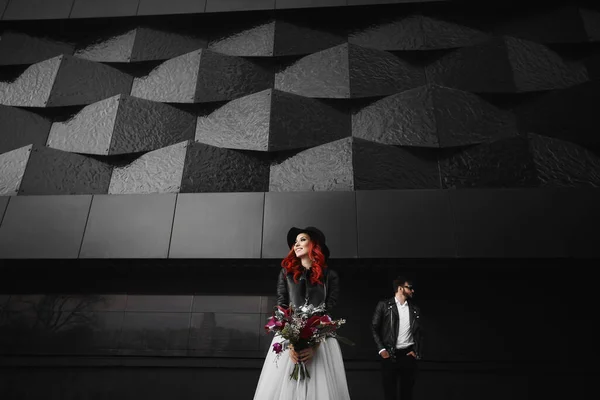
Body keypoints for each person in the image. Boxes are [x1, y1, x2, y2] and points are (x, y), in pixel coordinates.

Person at [253, 226, 351, 400]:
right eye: (295, 242)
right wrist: (291, 343)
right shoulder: (286, 274)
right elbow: (281, 307)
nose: (297, 244)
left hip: (321, 343)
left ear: (314, 245)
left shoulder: (330, 276)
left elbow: (327, 310)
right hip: (289, 339)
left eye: (302, 240)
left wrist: (314, 345)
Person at [371, 276, 423, 400]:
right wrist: (381, 350)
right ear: (400, 288)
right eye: (409, 288)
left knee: (407, 394)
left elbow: (419, 333)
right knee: (390, 394)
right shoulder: (384, 306)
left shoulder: (414, 309)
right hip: (389, 355)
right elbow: (374, 327)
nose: (412, 290)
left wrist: (416, 351)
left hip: (408, 355)